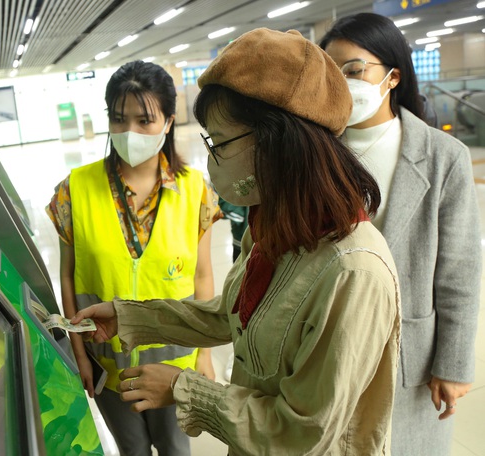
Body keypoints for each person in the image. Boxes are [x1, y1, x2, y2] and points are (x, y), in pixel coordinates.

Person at [72, 28, 402, 455]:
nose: (210, 160)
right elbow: (230, 314)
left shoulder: (352, 272)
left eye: (220, 142)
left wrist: (185, 387)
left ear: (278, 141)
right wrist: (130, 318)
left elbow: (303, 430)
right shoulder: (274, 232)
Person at [320, 14, 481, 455]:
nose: (341, 82)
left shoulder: (442, 156)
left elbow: (460, 270)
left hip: (409, 353)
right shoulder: (315, 154)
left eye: (353, 70)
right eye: (330, 73)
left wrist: (453, 364)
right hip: (325, 345)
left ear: (392, 76)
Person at [46, 60, 220, 456]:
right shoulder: (73, 190)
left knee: (177, 450)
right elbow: (69, 279)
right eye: (119, 119)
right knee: (132, 451)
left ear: (169, 122)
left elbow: (204, 278)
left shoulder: (197, 191)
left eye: (145, 120)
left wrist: (205, 356)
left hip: (177, 366)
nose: (130, 132)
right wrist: (79, 357)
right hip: (110, 367)